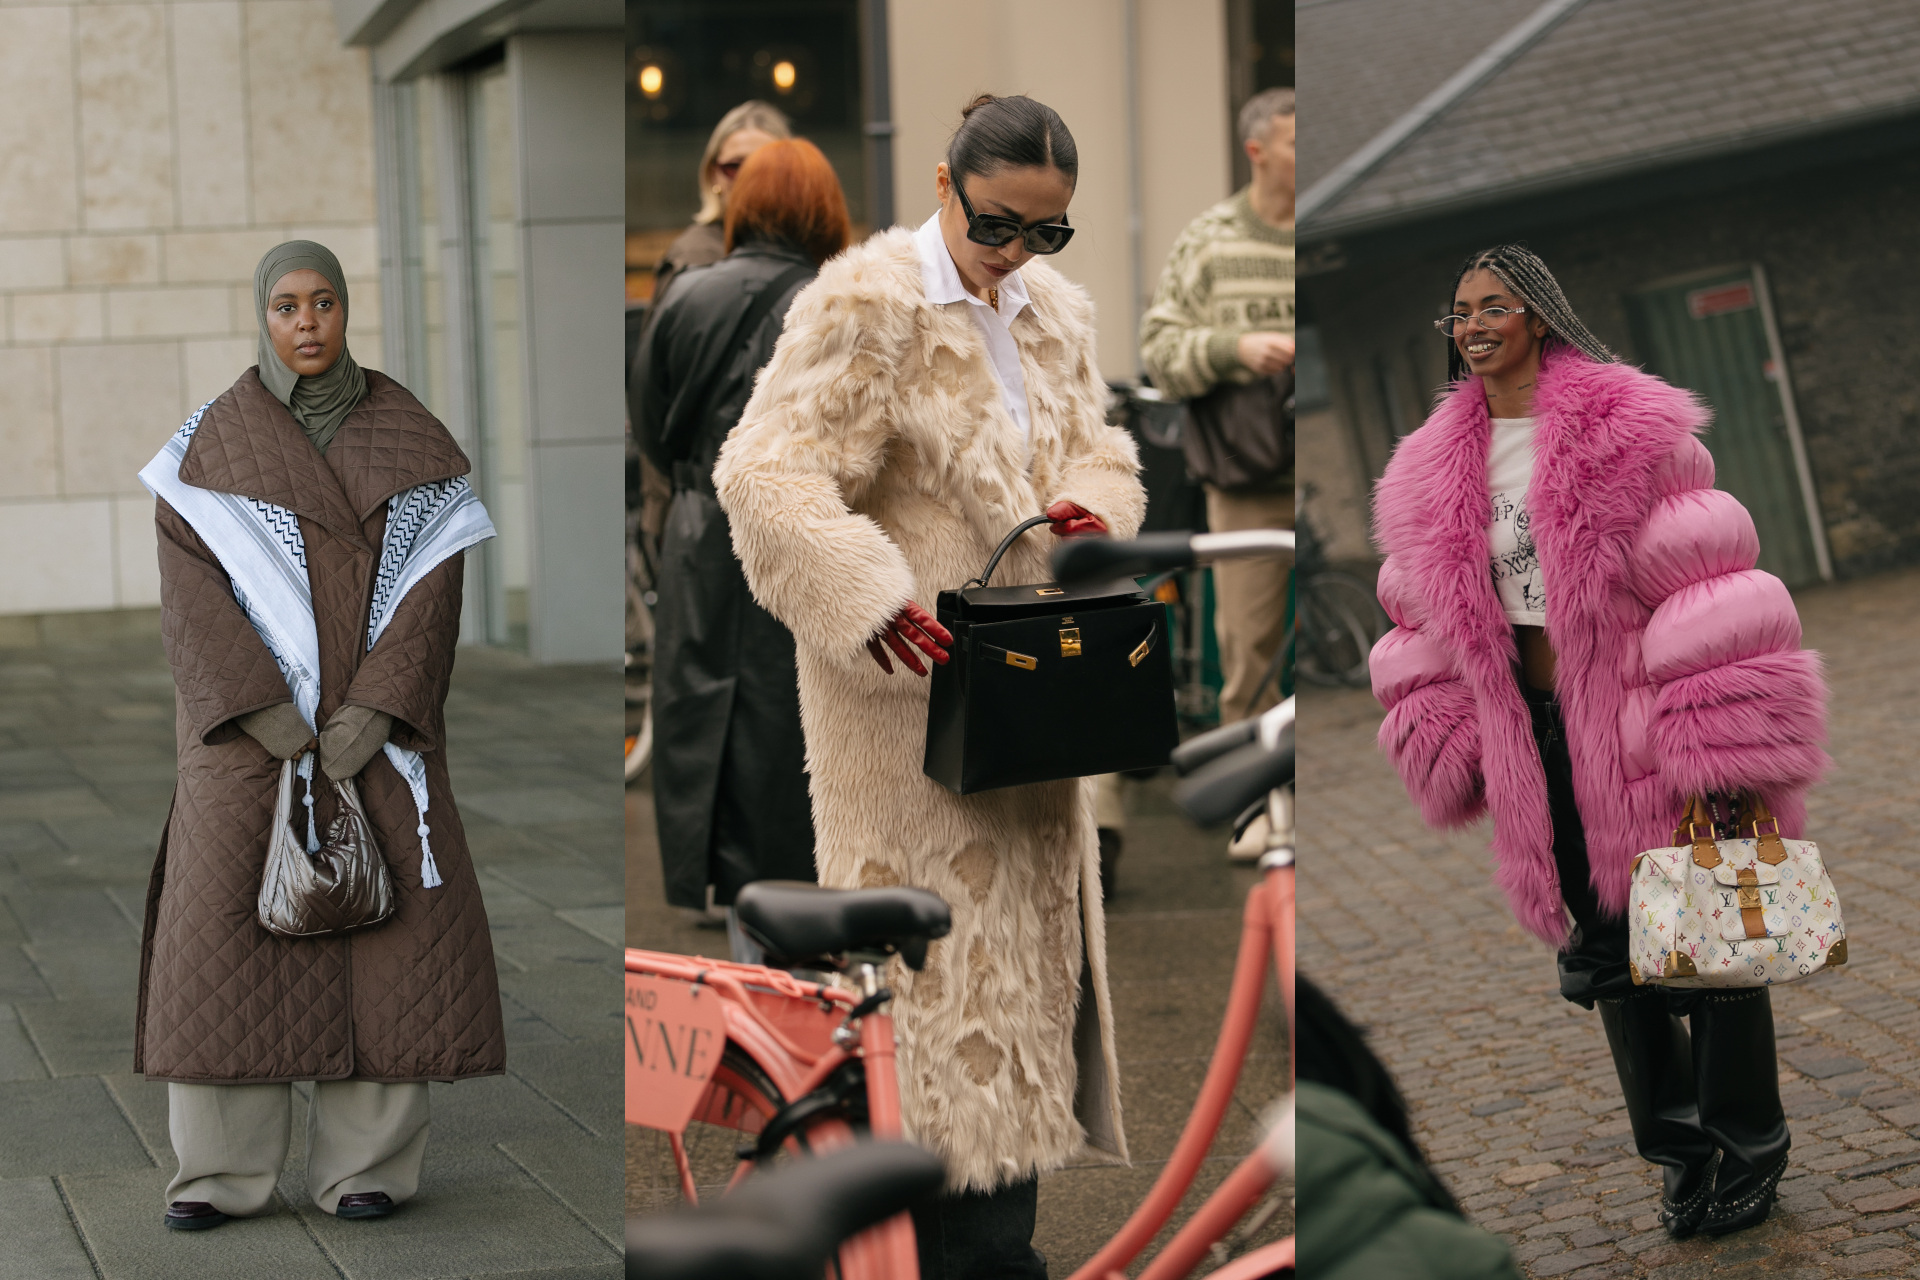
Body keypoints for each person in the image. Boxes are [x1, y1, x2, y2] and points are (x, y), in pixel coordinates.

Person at [715, 94, 1141, 1279]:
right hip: (907, 715)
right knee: (940, 1016)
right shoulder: (865, 303)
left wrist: (1094, 505)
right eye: (1001, 226)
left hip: (1028, 701)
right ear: (946, 184)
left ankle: (988, 1250)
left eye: (1049, 233)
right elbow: (763, 473)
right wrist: (867, 594)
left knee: (1015, 1009)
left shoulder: (1050, 312)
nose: (1019, 256)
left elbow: (1100, 445)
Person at [1368, 244, 1828, 1238]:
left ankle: (1750, 1150)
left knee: (1708, 942)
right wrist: (1451, 734)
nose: (1476, 323)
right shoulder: (1427, 467)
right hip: (1534, 737)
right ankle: (1679, 1153)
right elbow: (1415, 616)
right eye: (1461, 310)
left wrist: (1723, 751)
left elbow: (1706, 580)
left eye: (1495, 305)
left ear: (1536, 315)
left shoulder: (1631, 431)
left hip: (1637, 720)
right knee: (1610, 950)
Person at [136, 241, 505, 1231]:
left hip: (373, 735)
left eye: (325, 302)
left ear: (346, 311)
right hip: (248, 744)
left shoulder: (409, 435)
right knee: (221, 943)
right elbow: (194, 601)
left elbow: (434, 590)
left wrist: (376, 710)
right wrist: (269, 715)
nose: (307, 321)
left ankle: (367, 1164)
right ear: (263, 315)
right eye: (287, 304)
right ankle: (218, 1172)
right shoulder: (208, 445)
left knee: (396, 949)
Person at [634, 139, 848, 953]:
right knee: (792, 726)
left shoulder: (686, 294)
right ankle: (802, 931)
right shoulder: (834, 300)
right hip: (801, 527)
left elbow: (653, 428)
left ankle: (740, 921)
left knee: (703, 716)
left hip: (700, 528)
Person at [1140, 86, 1295, 752]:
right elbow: (1161, 353)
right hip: (1248, 477)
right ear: (1256, 152)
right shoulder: (1209, 242)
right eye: (1298, 140)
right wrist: (1236, 349)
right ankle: (1255, 807)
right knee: (1249, 651)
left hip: (1340, 469)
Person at [645, 100, 792, 329]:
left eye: (765, 166)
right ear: (713, 175)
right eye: (735, 166)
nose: (749, 179)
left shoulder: (813, 252)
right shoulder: (692, 257)